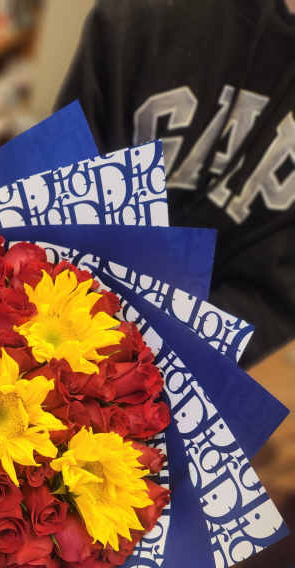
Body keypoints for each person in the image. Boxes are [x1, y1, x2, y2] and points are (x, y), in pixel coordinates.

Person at [55, 0, 295, 368]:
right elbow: (52, 202)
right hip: (66, 336)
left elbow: (274, 303)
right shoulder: (137, 19)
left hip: (222, 375)